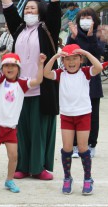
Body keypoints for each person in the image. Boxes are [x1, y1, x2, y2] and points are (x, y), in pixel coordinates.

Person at [0, 0, 72, 180]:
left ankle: (39, 167)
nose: (29, 11)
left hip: (41, 88)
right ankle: (22, 165)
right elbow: (8, 8)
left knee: (40, 128)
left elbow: (54, 4)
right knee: (20, 128)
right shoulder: (20, 29)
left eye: (33, 8)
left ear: (40, 12)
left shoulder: (48, 27)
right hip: (19, 88)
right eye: (27, 8)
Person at [0, 44, 46, 193]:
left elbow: (38, 80)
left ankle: (9, 180)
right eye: (6, 66)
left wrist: (40, 64)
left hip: (10, 126)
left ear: (18, 69)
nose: (9, 68)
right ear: (2, 68)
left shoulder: (22, 84)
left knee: (13, 155)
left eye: (13, 66)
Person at [44, 44, 102, 195]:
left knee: (83, 148)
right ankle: (67, 178)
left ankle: (88, 179)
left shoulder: (85, 72)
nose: (71, 62)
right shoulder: (60, 73)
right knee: (67, 148)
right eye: (67, 59)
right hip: (66, 116)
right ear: (63, 61)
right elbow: (45, 73)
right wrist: (56, 57)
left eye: (75, 58)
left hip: (83, 114)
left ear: (81, 60)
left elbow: (99, 67)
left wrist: (85, 52)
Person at [68, 8, 104, 159]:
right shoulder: (74, 35)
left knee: (93, 115)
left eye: (88, 17)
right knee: (75, 113)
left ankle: (91, 144)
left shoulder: (98, 35)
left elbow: (96, 55)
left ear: (94, 19)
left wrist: (90, 38)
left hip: (93, 82)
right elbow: (69, 54)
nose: (85, 20)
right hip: (75, 82)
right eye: (82, 17)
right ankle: (75, 145)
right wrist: (74, 38)